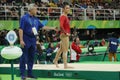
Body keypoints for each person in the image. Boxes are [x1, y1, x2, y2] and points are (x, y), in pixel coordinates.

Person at [19, 4, 56, 80]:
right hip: (26, 38)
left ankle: (30, 73)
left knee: (31, 57)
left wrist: (53, 28)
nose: (37, 11)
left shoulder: (36, 19)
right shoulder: (24, 18)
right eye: (35, 9)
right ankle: (22, 74)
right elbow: (21, 29)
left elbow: (43, 27)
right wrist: (21, 40)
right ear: (31, 10)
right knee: (24, 57)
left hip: (33, 40)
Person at [53, 3, 72, 69]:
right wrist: (65, 33)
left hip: (65, 34)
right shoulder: (63, 16)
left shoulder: (65, 16)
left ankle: (55, 60)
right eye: (67, 8)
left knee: (61, 49)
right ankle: (65, 65)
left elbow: (64, 26)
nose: (68, 9)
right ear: (63, 9)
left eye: (69, 8)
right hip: (64, 35)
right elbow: (61, 26)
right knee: (65, 50)